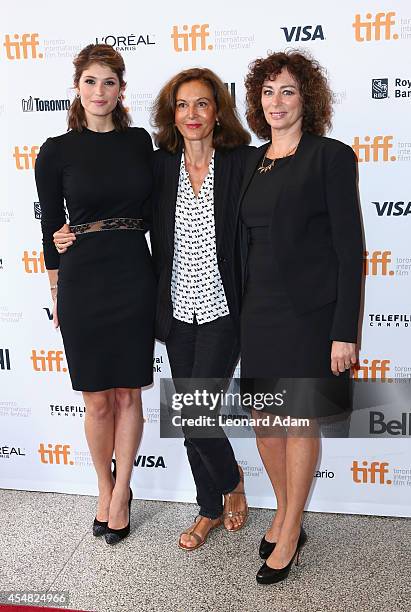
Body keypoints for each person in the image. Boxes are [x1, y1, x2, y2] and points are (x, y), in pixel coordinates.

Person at [240, 50, 363, 584]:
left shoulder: (330, 156)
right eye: (268, 92)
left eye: (287, 91)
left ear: (306, 99)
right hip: (256, 312)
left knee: (295, 420)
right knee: (266, 426)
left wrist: (343, 331)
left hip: (308, 314)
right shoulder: (250, 160)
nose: (276, 102)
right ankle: (289, 512)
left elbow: (349, 248)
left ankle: (288, 529)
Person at [35, 44, 156, 545]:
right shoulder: (56, 150)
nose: (99, 91)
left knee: (128, 392)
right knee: (96, 400)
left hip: (132, 269)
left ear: (121, 90)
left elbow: (155, 209)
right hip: (83, 277)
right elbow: (49, 226)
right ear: (77, 88)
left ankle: (123, 491)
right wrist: (56, 287)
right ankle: (102, 488)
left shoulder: (139, 142)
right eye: (90, 82)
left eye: (109, 82)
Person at [150, 68, 251, 550]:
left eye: (202, 104)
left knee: (194, 415)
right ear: (173, 115)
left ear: (217, 113)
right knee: (191, 419)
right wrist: (70, 232)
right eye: (183, 105)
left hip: (221, 310)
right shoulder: (160, 166)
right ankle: (208, 509)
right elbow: (120, 209)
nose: (192, 114)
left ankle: (231, 484)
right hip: (176, 314)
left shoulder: (239, 163)